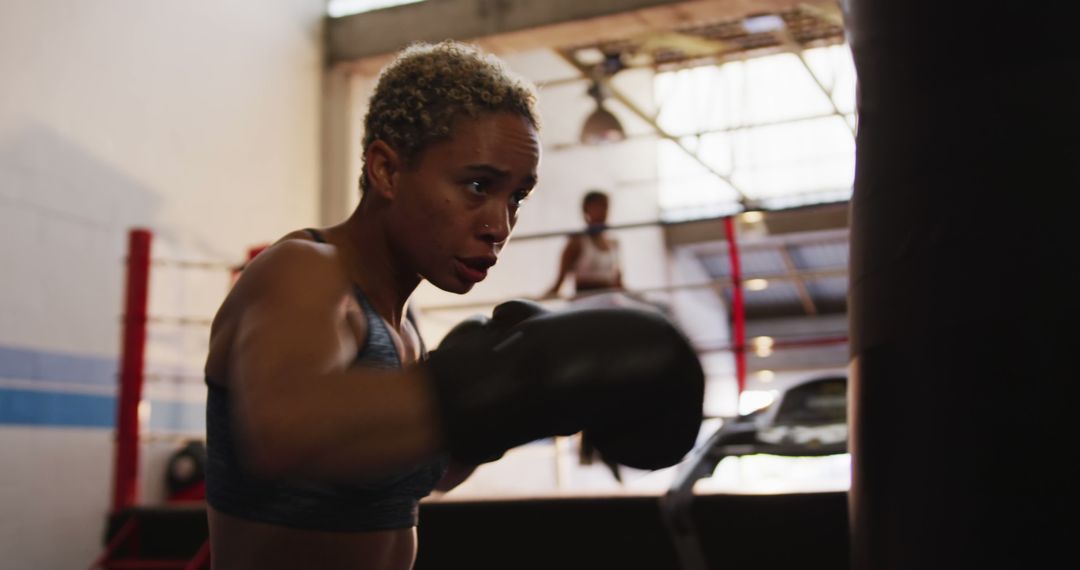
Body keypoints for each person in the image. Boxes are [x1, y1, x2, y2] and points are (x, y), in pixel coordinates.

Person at [204, 41, 704, 570]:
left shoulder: (404, 327)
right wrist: (518, 377)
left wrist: (517, 416)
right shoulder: (306, 271)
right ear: (386, 170)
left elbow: (412, 478)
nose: (499, 226)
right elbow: (283, 433)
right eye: (477, 185)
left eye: (515, 197)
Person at [544, 190, 623, 298]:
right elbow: (559, 282)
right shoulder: (576, 241)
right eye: (597, 206)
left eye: (605, 206)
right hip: (585, 301)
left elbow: (619, 283)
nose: (603, 211)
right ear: (586, 210)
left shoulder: (614, 243)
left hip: (610, 301)